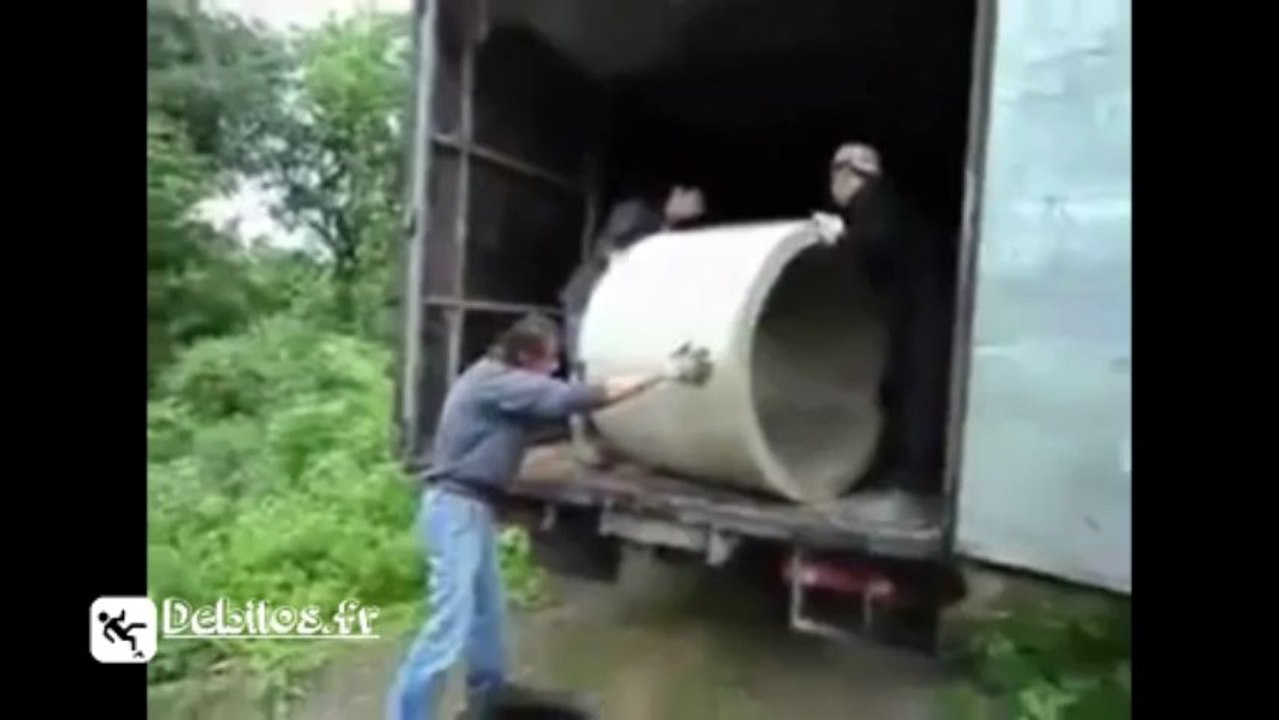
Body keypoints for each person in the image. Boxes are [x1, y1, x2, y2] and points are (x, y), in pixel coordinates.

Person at [386, 313, 688, 720]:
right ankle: (408, 714)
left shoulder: (496, 381)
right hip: (455, 509)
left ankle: (489, 697)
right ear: (526, 358)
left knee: (488, 613)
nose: (554, 367)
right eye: (550, 360)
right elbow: (573, 398)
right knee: (450, 622)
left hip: (471, 509)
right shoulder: (496, 382)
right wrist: (664, 373)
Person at [825, 142, 949, 499]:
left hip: (919, 314)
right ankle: (901, 470)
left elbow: (875, 246)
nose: (833, 184)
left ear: (850, 174)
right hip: (916, 311)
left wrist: (840, 236)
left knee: (914, 391)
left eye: (835, 173)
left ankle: (911, 475)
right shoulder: (887, 203)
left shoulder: (875, 203)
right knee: (903, 389)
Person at [559, 184, 706, 360]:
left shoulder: (666, 228)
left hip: (613, 303)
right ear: (677, 193)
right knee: (581, 355)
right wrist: (619, 257)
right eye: (693, 202)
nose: (695, 211)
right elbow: (603, 246)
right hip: (588, 294)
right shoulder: (636, 211)